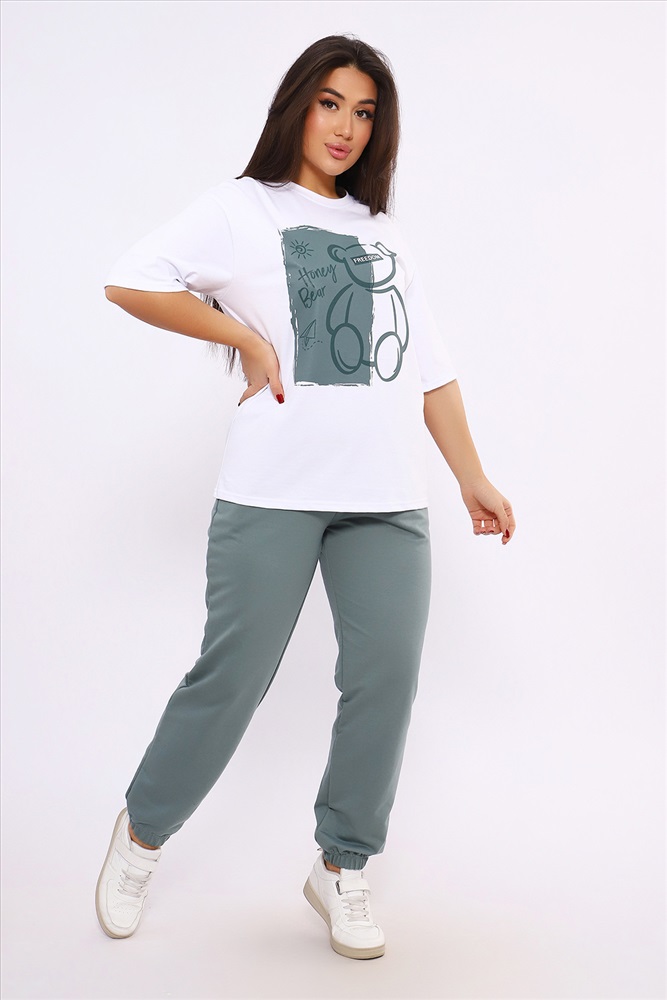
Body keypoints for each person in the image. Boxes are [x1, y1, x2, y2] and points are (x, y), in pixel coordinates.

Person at [95, 34, 516, 961]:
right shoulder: (241, 209)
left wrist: (471, 476)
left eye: (364, 112)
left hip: (385, 496)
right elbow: (129, 281)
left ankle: (340, 865)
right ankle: (141, 835)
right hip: (273, 491)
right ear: (297, 105)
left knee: (386, 677)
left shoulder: (381, 232)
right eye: (331, 103)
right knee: (232, 679)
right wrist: (245, 342)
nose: (346, 127)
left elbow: (429, 371)